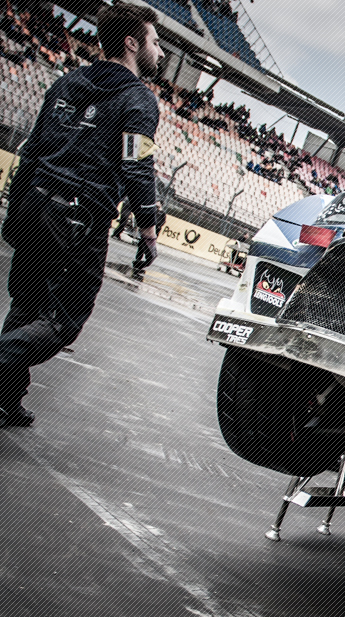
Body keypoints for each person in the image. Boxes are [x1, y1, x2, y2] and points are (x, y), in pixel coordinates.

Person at [0, 5, 161, 429]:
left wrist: (16, 213)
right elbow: (137, 164)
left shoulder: (67, 82)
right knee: (63, 322)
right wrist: (148, 229)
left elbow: (32, 149)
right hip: (78, 217)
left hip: (35, 202)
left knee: (26, 305)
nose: (160, 52)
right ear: (132, 43)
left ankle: (5, 399)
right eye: (155, 42)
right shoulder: (139, 99)